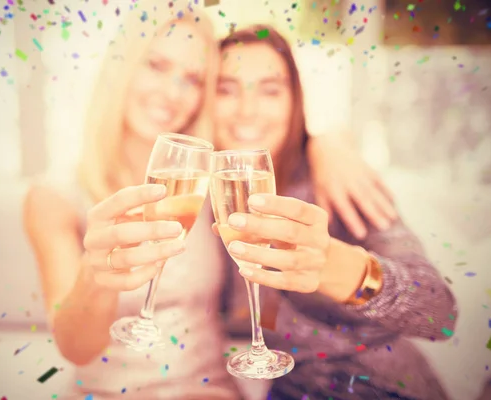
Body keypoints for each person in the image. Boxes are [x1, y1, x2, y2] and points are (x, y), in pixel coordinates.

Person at [23, 1, 399, 399]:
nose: (171, 93)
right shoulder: (54, 196)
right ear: (121, 65)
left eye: (193, 79)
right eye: (156, 65)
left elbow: (267, 136)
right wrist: (94, 274)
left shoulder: (207, 181)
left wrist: (327, 142)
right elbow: (75, 348)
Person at [213, 25, 459, 400]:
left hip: (380, 387)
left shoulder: (335, 181)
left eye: (270, 90)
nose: (248, 110)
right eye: (227, 89)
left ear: (295, 100)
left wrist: (335, 268)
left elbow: (438, 314)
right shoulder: (208, 190)